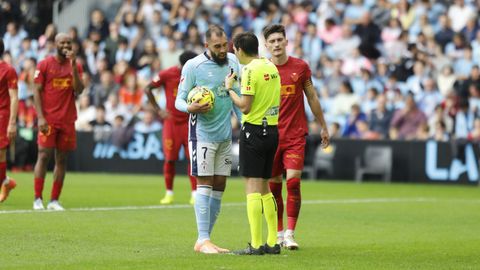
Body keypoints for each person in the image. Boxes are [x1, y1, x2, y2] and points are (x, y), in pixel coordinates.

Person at [175, 25, 241, 254]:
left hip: (224, 135)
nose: (223, 50)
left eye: (225, 45)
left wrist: (245, 124)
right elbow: (179, 100)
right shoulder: (193, 66)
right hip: (201, 135)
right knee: (204, 183)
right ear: (206, 46)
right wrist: (190, 107)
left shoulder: (233, 62)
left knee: (220, 186)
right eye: (217, 46)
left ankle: (205, 240)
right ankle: (203, 239)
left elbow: (237, 97)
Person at [263, 24, 330, 250]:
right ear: (266, 45)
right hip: (270, 136)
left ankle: (290, 233)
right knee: (274, 188)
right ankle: (279, 232)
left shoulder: (300, 67)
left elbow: (311, 97)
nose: (276, 44)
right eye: (272, 41)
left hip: (295, 135)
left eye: (279, 40)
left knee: (292, 182)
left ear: (286, 42)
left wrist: (323, 126)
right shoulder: (261, 69)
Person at [225, 32, 281, 255]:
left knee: (251, 188)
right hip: (273, 130)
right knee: (266, 187)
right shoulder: (270, 66)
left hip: (254, 132)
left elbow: (245, 106)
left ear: (238, 49)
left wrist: (230, 88)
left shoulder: (249, 70)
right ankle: (272, 242)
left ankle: (256, 245)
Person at [32, 33, 84, 211]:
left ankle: (54, 200)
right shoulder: (45, 64)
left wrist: (74, 67)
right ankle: (37, 198)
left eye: (68, 42)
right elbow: (36, 91)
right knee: (43, 155)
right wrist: (40, 117)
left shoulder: (75, 65)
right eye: (62, 42)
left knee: (61, 159)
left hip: (68, 120)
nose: (65, 45)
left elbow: (79, 90)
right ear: (55, 44)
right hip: (49, 119)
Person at [145, 51, 198, 205]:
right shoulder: (167, 74)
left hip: (190, 122)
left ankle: (194, 194)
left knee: (193, 159)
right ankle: (169, 193)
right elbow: (148, 88)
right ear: (183, 65)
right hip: (172, 123)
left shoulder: (197, 75)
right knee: (169, 159)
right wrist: (158, 110)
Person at [0, 39, 19, 202]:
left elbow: (14, 98)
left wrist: (12, 122)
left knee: (0, 153)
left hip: (2, 115)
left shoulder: (8, 70)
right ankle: (6, 181)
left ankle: (4, 182)